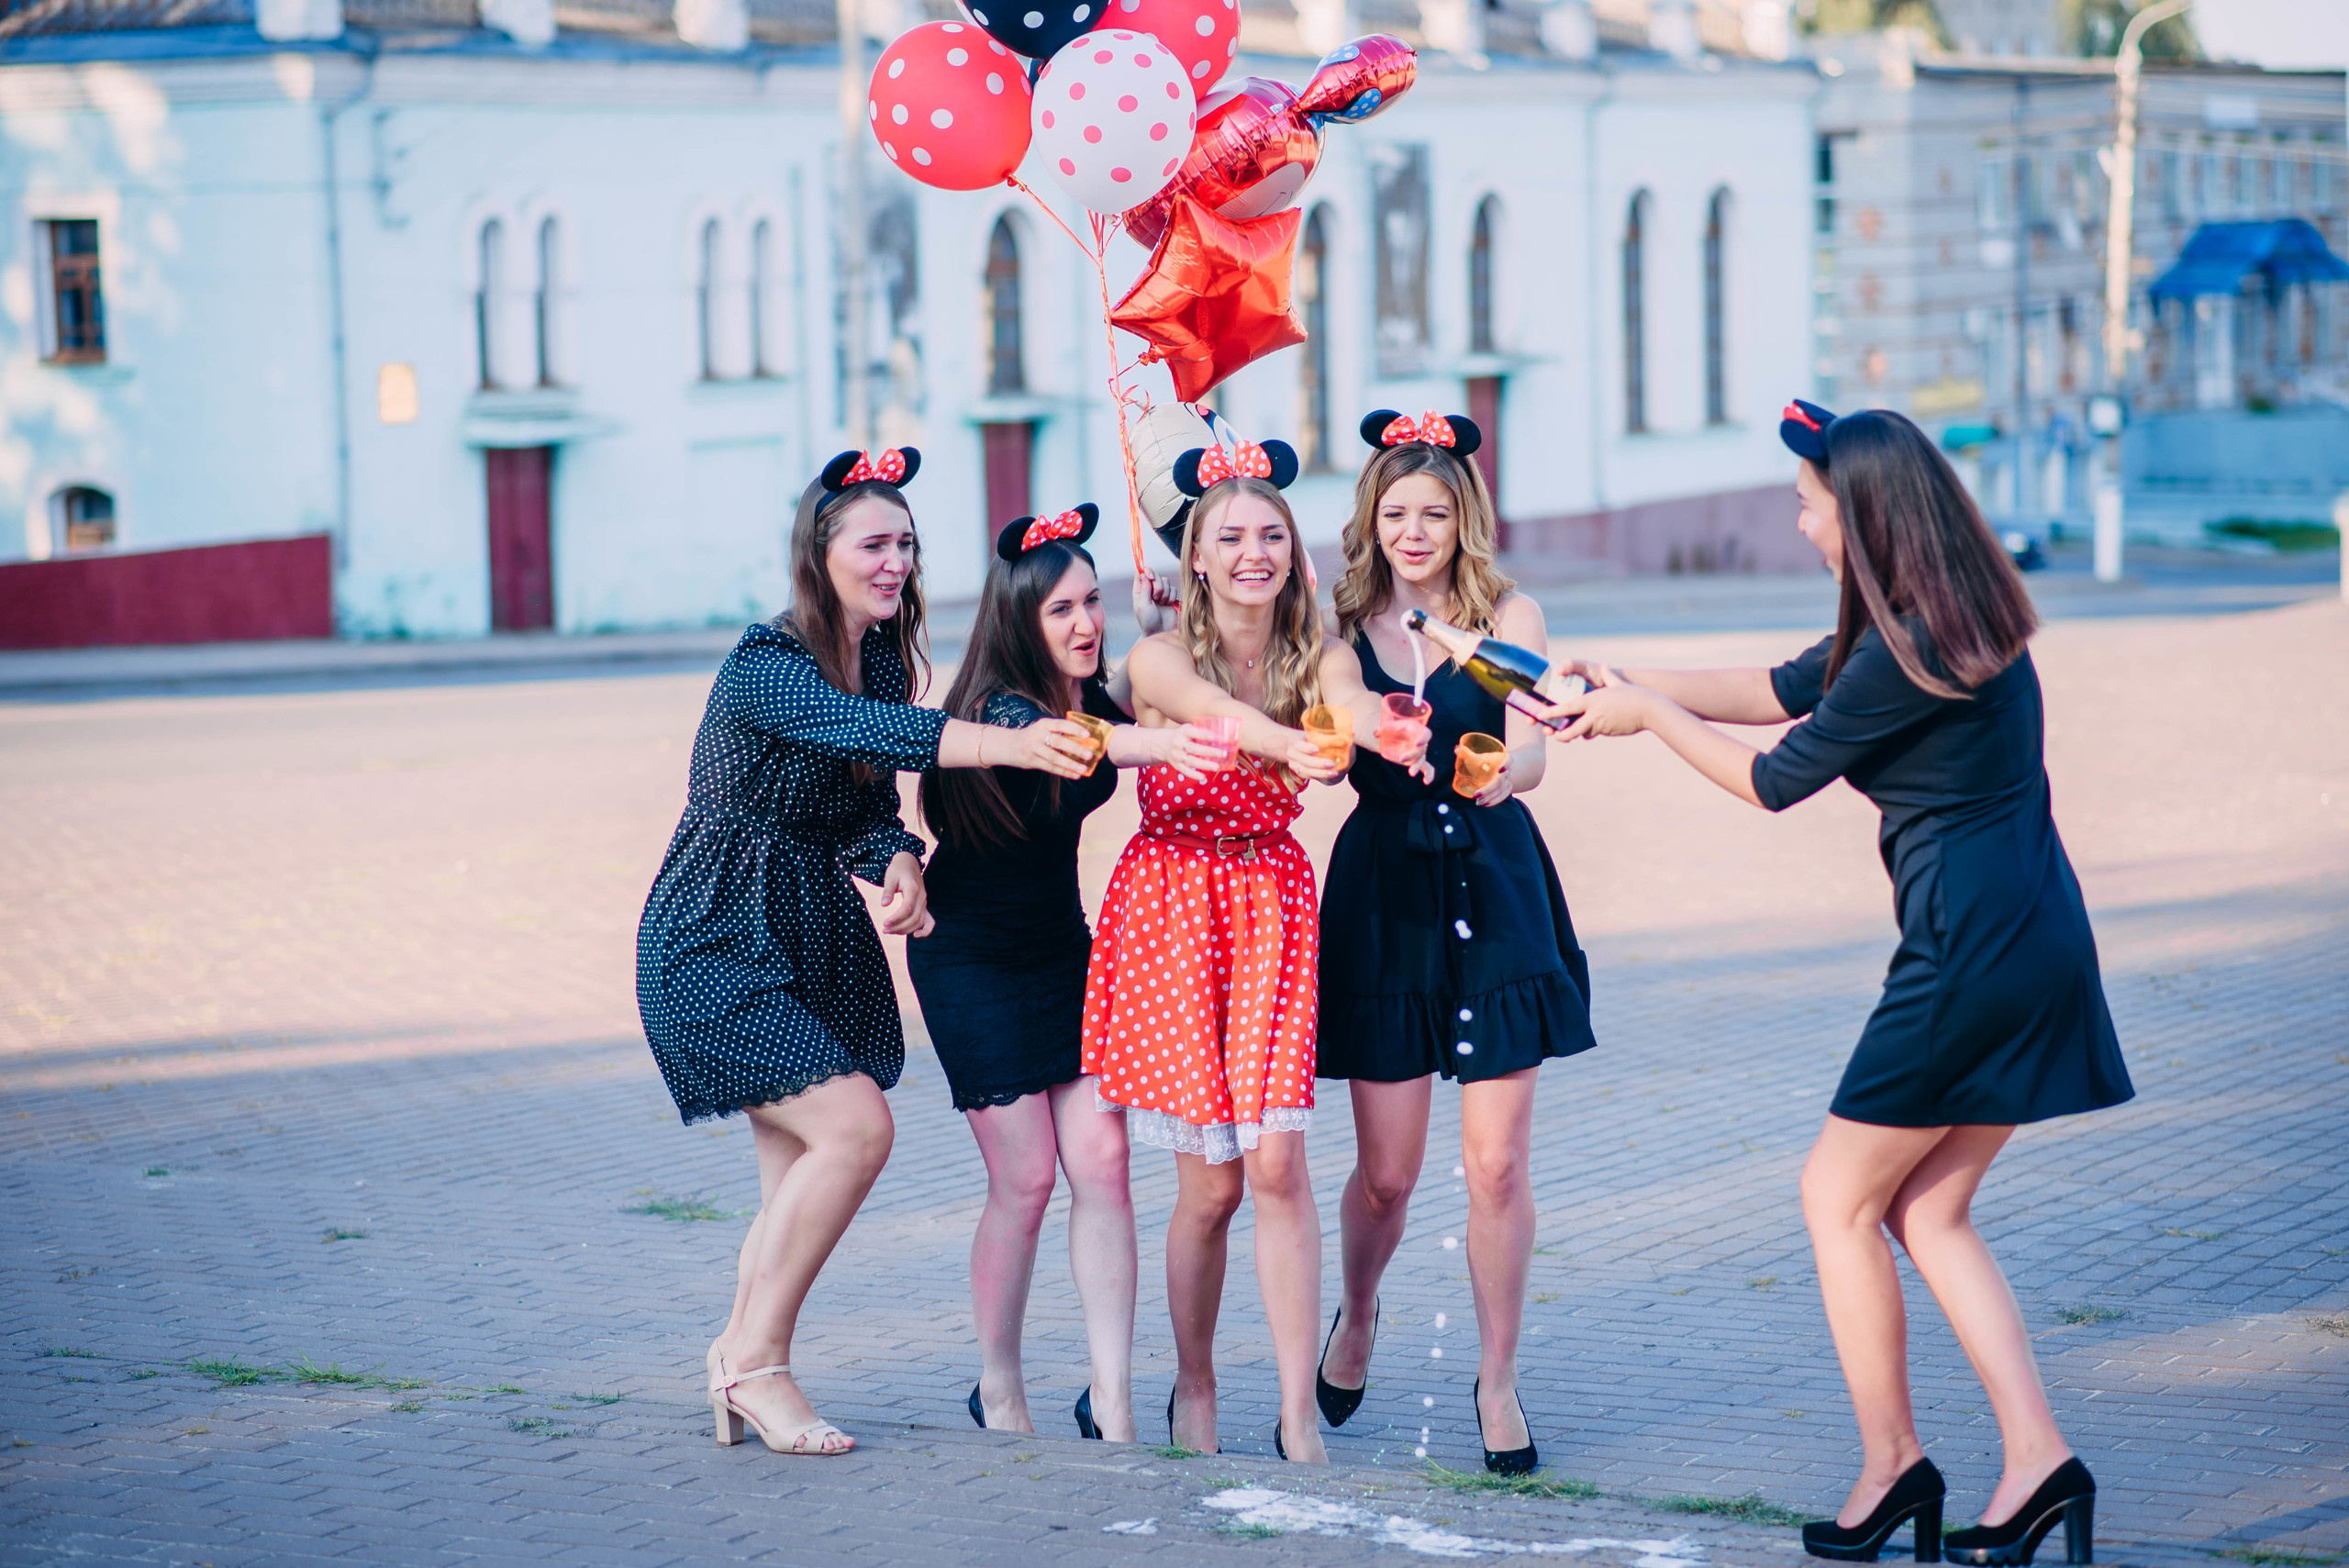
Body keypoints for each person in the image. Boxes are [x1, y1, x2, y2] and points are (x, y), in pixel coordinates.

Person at [1543, 403, 2132, 1567]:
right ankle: (2037, 1461)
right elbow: (1777, 683)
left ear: (1861, 512)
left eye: (1810, 504)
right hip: (2031, 935)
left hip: (1964, 951)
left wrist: (1648, 715)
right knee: (1924, 1208)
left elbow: (1771, 778)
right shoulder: (1941, 619)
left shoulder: (1907, 646)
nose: (1802, 521)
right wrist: (1620, 676)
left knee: (1837, 1198)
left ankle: (1892, 1461)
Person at [635, 448, 1097, 1458]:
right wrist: (1011, 742)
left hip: (809, 934)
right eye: (874, 542)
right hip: (713, 934)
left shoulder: (880, 658)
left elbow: (860, 800)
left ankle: (745, 1364)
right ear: (820, 550)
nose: (895, 561)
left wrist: (895, 857)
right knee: (854, 1130)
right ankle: (754, 1363)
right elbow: (859, 729)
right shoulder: (768, 662)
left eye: (907, 544)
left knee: (795, 1169)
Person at [1082, 435, 1422, 1464]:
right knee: (1211, 1188)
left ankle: (1295, 1410)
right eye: (1229, 535)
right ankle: (1194, 1377)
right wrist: (1295, 742)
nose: (1251, 551)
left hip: (1271, 902)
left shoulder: (1315, 651)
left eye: (1270, 533)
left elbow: (1349, 700)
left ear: (1295, 550)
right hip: (1173, 913)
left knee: (1277, 1166)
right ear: (1194, 553)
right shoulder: (1155, 654)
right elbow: (1211, 716)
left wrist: (1374, 727)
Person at [1312, 410, 1598, 1474]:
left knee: (1496, 1163)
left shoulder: (1505, 609)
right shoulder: (1336, 623)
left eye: (1435, 511)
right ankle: (1356, 1313)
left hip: (1493, 879)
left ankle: (1495, 1374)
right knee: (1387, 1174)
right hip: (1384, 891)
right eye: (1395, 511)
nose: (1415, 529)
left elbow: (1533, 748)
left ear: (1464, 517)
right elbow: (1322, 727)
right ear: (1371, 518)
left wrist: (1499, 772)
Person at [909, 504, 1219, 1445]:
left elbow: (1124, 707)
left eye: (1091, 602)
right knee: (1029, 1177)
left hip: (1062, 947)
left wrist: (1163, 629)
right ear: (1018, 622)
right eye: (1062, 611)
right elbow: (1087, 743)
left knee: (1106, 1162)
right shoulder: (1001, 710)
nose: (1086, 622)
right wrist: (1163, 738)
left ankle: (1113, 1396)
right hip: (966, 953)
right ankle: (997, 1381)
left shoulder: (1086, 691)